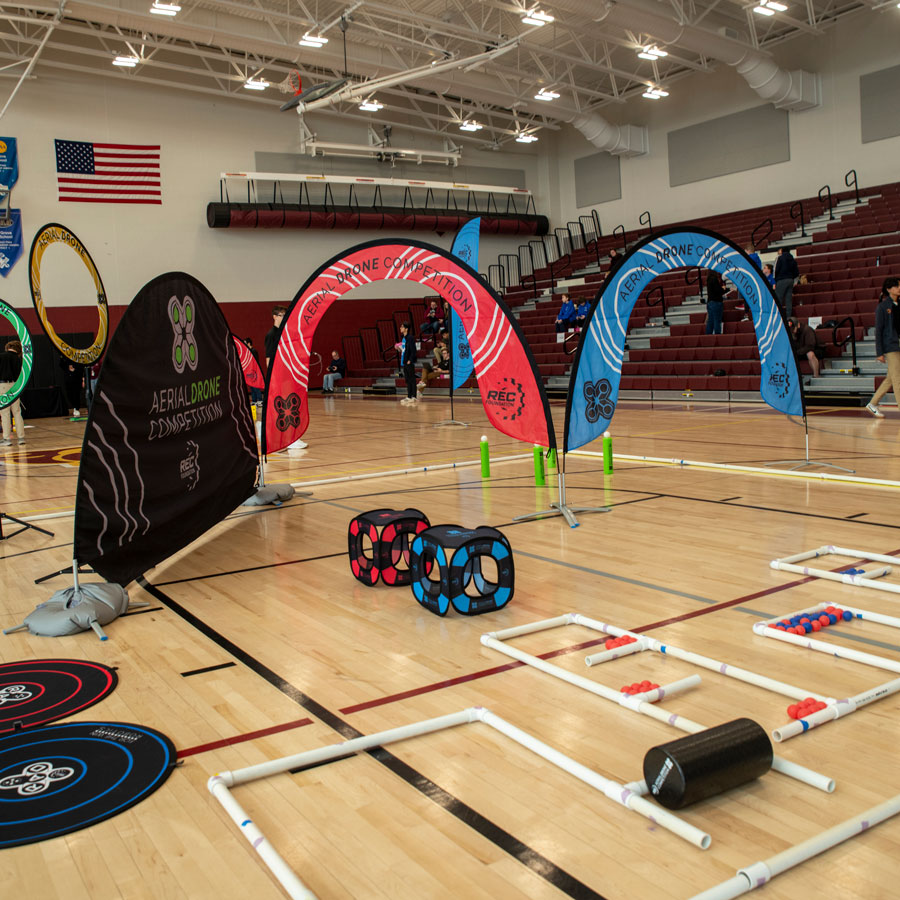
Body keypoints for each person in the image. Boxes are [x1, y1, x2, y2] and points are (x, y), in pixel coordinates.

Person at [866, 276, 900, 417]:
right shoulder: (882, 307)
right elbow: (878, 330)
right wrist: (879, 352)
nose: (899, 288)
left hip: (898, 344)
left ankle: (872, 403)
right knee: (898, 378)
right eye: (897, 286)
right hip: (890, 346)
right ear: (889, 289)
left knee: (890, 378)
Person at [0, 340, 25, 446]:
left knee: (5, 413)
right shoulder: (19, 359)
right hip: (15, 386)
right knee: (17, 412)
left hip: (3, 385)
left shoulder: (1, 356)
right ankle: (21, 438)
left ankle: (7, 439)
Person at [787, 317, 824, 383]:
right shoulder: (791, 333)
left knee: (810, 354)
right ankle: (796, 377)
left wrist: (797, 352)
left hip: (817, 349)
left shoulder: (807, 330)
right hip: (801, 351)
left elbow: (810, 346)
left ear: (798, 325)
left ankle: (816, 376)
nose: (792, 331)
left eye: (793, 329)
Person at [774, 247, 800, 319]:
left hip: (782, 279)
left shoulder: (780, 258)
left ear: (782, 251)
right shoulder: (793, 260)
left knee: (778, 298)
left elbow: (776, 270)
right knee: (788, 300)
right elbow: (796, 272)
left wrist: (776, 279)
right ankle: (788, 317)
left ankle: (778, 316)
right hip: (790, 280)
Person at [397, 321, 417, 405]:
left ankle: (414, 396)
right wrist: (399, 349)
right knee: (407, 379)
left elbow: (413, 350)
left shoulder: (410, 338)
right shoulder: (403, 338)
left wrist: (410, 360)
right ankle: (409, 396)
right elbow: (405, 350)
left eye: (402, 327)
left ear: (406, 329)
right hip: (404, 361)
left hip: (409, 361)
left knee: (412, 379)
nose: (400, 328)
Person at [265, 305, 287, 370]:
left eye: (285, 315)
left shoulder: (283, 332)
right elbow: (268, 357)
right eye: (282, 315)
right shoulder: (271, 334)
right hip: (276, 370)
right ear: (275, 317)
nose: (284, 318)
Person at [243, 338, 263, 404]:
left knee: (255, 386)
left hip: (254, 372)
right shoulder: (248, 352)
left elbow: (255, 362)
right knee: (251, 387)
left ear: (249, 343)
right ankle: (254, 400)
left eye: (245, 343)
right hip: (250, 372)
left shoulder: (253, 351)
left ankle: (260, 399)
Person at [705, 270, 725, 335]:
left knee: (710, 321)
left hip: (710, 302)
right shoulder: (714, 279)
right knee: (717, 321)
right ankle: (717, 336)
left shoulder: (708, 279)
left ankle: (708, 337)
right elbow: (718, 290)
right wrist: (724, 289)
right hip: (716, 302)